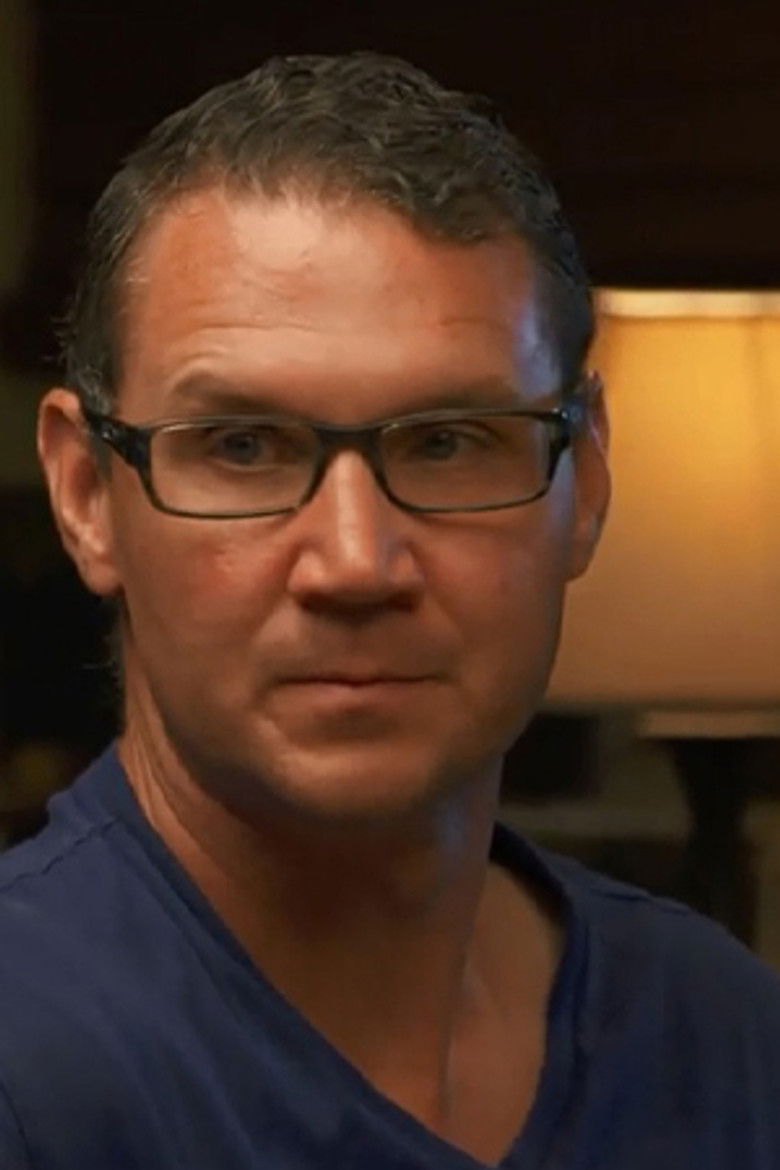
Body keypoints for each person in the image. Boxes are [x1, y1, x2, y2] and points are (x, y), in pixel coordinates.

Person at [1, 51, 779, 1170]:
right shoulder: (30, 1067)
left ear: (589, 480)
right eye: (243, 447)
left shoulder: (722, 1039)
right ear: (87, 498)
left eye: (448, 443)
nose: (356, 562)